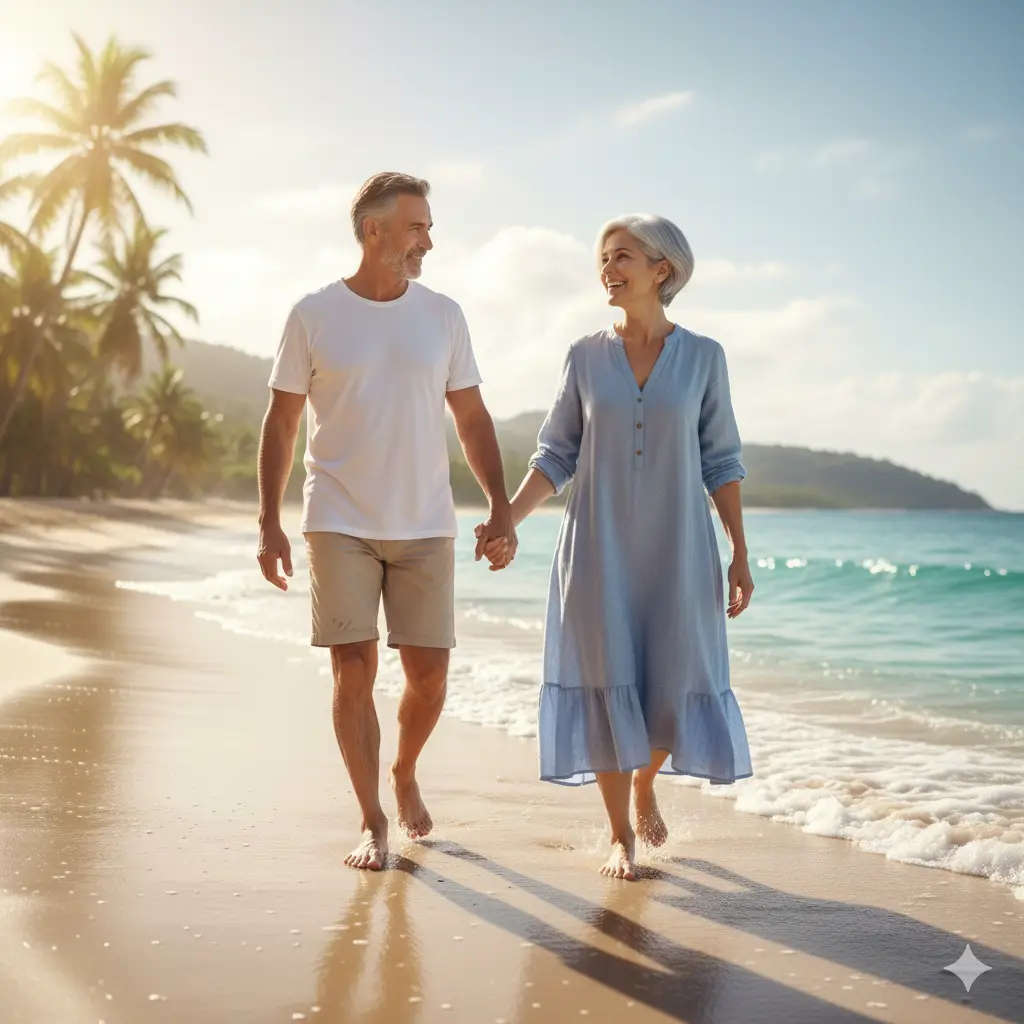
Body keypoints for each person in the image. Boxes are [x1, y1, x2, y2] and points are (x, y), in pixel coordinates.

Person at [479, 213, 754, 881]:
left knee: (676, 678)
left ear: (663, 269)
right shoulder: (583, 356)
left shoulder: (704, 358)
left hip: (680, 549)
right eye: (603, 258)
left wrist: (739, 551)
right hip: (597, 549)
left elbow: (721, 461)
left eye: (622, 256)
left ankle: (644, 780)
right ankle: (619, 835)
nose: (607, 268)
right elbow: (556, 454)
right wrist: (508, 518)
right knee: (604, 681)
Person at [257, 172, 516, 871]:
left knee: (429, 675)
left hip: (426, 522)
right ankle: (372, 817)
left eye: (428, 227)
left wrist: (498, 504)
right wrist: (268, 521)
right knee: (354, 671)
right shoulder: (313, 314)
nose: (429, 238)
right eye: (417, 226)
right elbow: (282, 422)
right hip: (337, 517)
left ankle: (403, 770)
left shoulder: (444, 316)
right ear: (374, 231)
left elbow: (471, 417)